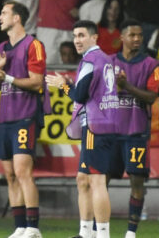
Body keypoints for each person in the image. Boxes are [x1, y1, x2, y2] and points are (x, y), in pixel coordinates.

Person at [45, 20, 120, 238]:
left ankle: (102, 235)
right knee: (83, 178)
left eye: (81, 35)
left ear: (94, 37)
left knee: (96, 181)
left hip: (96, 126)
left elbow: (79, 95)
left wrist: (63, 85)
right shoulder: (105, 59)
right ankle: (86, 233)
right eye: (75, 35)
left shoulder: (89, 60)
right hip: (106, 124)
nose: (77, 40)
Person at [0, 1, 47, 238]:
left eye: (4, 13)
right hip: (5, 118)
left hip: (25, 115)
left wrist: (8, 78)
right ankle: (20, 226)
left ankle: (33, 227)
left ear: (17, 18)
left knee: (23, 172)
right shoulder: (2, 46)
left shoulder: (34, 45)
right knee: (10, 175)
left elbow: (36, 81)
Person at [110, 19, 159, 238]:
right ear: (122, 37)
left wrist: (126, 86)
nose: (138, 39)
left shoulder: (151, 64)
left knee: (136, 182)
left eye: (140, 35)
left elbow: (152, 97)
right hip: (109, 134)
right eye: (132, 35)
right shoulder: (109, 62)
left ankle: (131, 233)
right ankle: (96, 228)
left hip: (136, 132)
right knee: (99, 180)